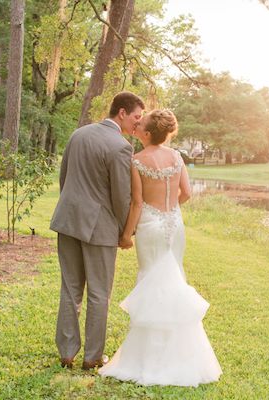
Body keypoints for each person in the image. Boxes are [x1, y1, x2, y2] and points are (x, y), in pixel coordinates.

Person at [98, 109, 222, 386]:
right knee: (174, 279)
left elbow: (137, 203)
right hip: (174, 225)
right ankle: (183, 357)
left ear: (148, 132)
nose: (137, 125)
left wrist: (126, 234)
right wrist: (171, 211)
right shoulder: (177, 157)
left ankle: (149, 359)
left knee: (151, 281)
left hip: (151, 226)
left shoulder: (137, 160)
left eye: (141, 124)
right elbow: (187, 193)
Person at [50, 92, 145, 370]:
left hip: (67, 221)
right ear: (122, 113)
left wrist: (72, 207)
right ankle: (92, 357)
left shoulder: (78, 134)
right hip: (100, 228)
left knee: (70, 288)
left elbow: (64, 177)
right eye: (136, 117)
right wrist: (126, 231)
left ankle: (66, 353)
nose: (137, 125)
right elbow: (121, 196)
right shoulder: (120, 146)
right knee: (99, 293)